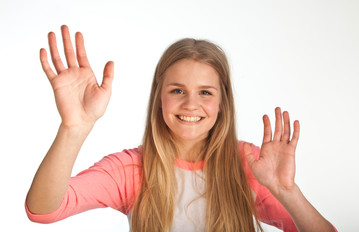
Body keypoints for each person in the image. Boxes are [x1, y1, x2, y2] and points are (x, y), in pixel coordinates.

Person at [26, 25, 336, 232]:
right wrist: (73, 127)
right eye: (177, 91)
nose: (190, 104)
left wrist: (286, 192)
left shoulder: (249, 164)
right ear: (158, 98)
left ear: (222, 103)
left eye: (205, 92)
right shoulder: (132, 169)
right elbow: (44, 210)